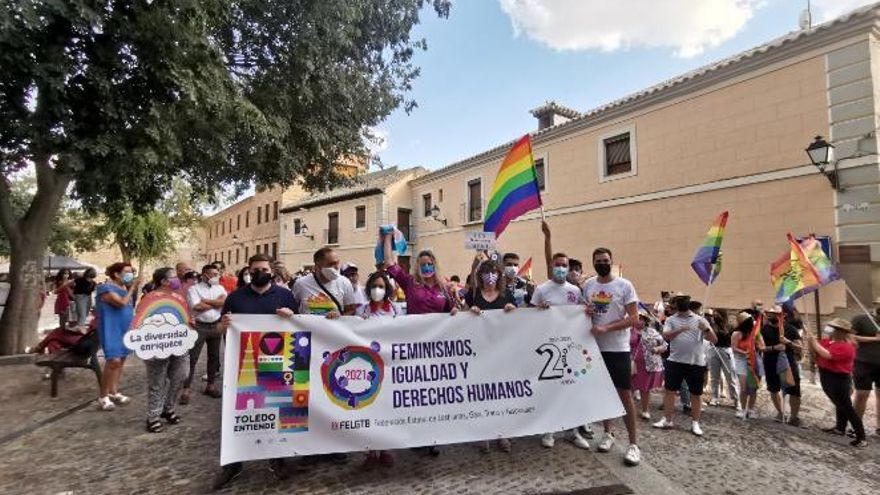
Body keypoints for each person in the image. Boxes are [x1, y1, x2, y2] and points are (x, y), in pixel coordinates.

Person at [212, 254, 297, 490]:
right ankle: (233, 462)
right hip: (241, 367)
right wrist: (223, 326)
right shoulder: (235, 297)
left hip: (276, 366)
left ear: (271, 271)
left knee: (276, 412)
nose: (260, 272)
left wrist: (292, 317)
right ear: (249, 271)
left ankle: (277, 458)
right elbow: (221, 328)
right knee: (237, 415)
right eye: (255, 269)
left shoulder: (285, 295)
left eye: (264, 268)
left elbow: (299, 326)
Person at [381, 229, 456, 456]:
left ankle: (431, 437)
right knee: (415, 394)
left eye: (429, 263)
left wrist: (454, 310)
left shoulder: (444, 287)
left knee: (433, 395)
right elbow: (390, 263)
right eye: (422, 263)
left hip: (436, 349)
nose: (426, 267)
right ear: (417, 266)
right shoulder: (410, 283)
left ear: (435, 265)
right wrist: (387, 238)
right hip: (413, 347)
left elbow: (452, 310)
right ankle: (414, 436)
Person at [582, 244, 642, 465]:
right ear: (593, 262)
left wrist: (607, 328)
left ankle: (633, 444)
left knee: (624, 394)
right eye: (598, 260)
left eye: (606, 260)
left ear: (611, 261)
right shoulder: (588, 285)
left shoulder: (624, 285)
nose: (602, 263)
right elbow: (583, 311)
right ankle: (608, 433)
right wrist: (585, 312)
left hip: (618, 348)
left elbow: (634, 318)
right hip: (595, 348)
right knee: (604, 393)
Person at [531, 248, 592, 452]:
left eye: (564, 265)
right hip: (548, 347)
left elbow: (582, 313)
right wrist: (539, 310)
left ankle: (572, 431)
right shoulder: (541, 289)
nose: (561, 268)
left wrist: (588, 310)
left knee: (570, 389)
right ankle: (549, 430)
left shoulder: (575, 291)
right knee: (550, 389)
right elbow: (529, 316)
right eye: (557, 265)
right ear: (551, 267)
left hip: (570, 346)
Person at [464, 259, 516, 453]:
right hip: (479, 352)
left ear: (500, 275)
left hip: (502, 351)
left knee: (502, 393)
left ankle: (502, 433)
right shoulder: (474, 295)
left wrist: (512, 310)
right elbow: (461, 316)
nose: (490, 275)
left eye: (494, 272)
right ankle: (484, 434)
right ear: (480, 275)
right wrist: (470, 311)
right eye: (486, 272)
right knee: (482, 394)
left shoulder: (506, 294)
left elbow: (519, 320)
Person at [653, 295, 717, 436]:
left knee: (696, 394)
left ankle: (695, 423)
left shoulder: (700, 320)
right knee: (669, 391)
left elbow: (714, 340)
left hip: (695, 363)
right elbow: (665, 336)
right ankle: (667, 419)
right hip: (675, 361)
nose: (673, 307)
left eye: (674, 304)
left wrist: (706, 329)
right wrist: (679, 330)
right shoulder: (671, 319)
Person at [140, 268, 190, 433]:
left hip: (179, 344)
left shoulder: (178, 297)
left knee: (180, 375)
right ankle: (153, 417)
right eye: (173, 277)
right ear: (163, 281)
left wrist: (190, 322)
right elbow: (141, 321)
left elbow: (184, 316)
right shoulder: (149, 299)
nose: (177, 279)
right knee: (157, 381)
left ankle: (168, 408)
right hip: (157, 347)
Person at [358, 271, 400, 467]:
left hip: (391, 366)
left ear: (387, 289)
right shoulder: (361, 311)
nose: (377, 290)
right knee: (368, 409)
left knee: (386, 409)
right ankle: (369, 452)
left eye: (381, 286)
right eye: (374, 286)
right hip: (368, 367)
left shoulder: (397, 310)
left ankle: (385, 449)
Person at [807, 318, 866, 447]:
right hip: (826, 376)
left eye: (832, 328)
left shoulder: (847, 347)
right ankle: (840, 428)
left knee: (847, 407)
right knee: (839, 404)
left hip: (838, 379)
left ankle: (861, 437)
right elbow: (817, 352)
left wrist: (813, 342)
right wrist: (811, 343)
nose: (829, 329)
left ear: (840, 332)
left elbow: (827, 355)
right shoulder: (828, 341)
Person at [95, 262, 141, 411]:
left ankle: (113, 391)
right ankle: (103, 396)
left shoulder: (123, 288)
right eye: (127, 272)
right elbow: (121, 303)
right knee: (113, 361)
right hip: (111, 329)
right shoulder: (105, 288)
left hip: (124, 328)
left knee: (121, 360)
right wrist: (133, 288)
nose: (131, 275)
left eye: (132, 272)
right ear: (116, 274)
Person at [181, 264, 227, 404]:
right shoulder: (194, 289)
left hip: (216, 326)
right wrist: (216, 303)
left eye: (217, 273)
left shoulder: (220, 288)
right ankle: (186, 388)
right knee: (192, 358)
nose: (216, 276)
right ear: (205, 275)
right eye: (213, 274)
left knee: (214, 357)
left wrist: (206, 301)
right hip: (199, 327)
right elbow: (196, 307)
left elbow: (224, 303)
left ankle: (210, 385)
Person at [761, 305, 803, 425]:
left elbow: (800, 347)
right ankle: (780, 412)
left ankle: (794, 417)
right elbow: (760, 347)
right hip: (770, 363)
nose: (772, 316)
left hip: (788, 364)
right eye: (771, 314)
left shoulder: (790, 329)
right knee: (774, 389)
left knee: (794, 390)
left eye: (775, 314)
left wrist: (788, 342)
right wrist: (774, 347)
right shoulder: (764, 330)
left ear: (782, 316)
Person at [291, 248, 357, 317]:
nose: (337, 267)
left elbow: (351, 310)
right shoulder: (301, 284)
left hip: (333, 327)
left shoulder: (344, 282)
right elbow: (293, 308)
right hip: (308, 327)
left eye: (337, 263)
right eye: (331, 264)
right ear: (318, 266)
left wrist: (339, 317)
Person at [852, 297, 880, 437]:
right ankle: (856, 426)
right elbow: (850, 337)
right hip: (863, 362)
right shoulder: (861, 319)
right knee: (862, 394)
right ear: (875, 304)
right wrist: (874, 339)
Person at [631, 310, 666, 421]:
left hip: (647, 365)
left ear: (645, 321)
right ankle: (626, 409)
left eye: (641, 318)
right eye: (637, 317)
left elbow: (664, 345)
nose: (639, 320)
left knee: (644, 389)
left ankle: (645, 410)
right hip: (630, 362)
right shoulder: (627, 331)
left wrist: (658, 349)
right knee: (628, 387)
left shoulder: (652, 332)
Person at [731, 311, 765, 419]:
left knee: (753, 387)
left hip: (754, 360)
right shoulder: (737, 334)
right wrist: (745, 352)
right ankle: (742, 408)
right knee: (744, 387)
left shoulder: (756, 333)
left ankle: (750, 409)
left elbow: (762, 346)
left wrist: (757, 346)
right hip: (741, 360)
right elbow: (734, 348)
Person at [706, 308, 740, 410]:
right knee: (714, 376)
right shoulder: (712, 325)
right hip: (714, 350)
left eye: (718, 314)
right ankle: (715, 397)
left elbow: (730, 338)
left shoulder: (729, 326)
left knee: (730, 375)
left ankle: (736, 400)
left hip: (726, 351)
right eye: (714, 314)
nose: (715, 316)